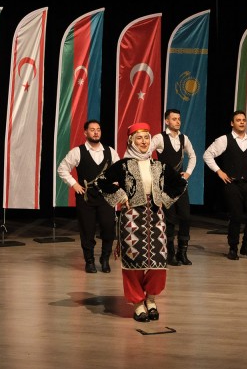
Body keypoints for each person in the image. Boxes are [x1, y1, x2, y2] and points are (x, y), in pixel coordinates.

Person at [96, 122, 187, 322]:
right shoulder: (123, 165)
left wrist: (164, 198)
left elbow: (181, 183)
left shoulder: (159, 166)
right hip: (131, 219)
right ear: (131, 141)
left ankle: (151, 299)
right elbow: (101, 181)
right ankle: (138, 303)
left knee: (158, 263)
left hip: (156, 218)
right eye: (139, 138)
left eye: (147, 138)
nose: (144, 142)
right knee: (133, 263)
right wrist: (121, 195)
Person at [57, 119, 120, 274]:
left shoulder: (110, 151)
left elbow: (119, 169)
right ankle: (89, 261)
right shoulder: (78, 152)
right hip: (86, 197)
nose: (96, 132)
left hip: (106, 196)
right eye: (92, 130)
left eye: (98, 129)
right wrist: (74, 184)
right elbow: (62, 169)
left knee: (108, 228)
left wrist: (116, 181)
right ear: (85, 133)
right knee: (87, 230)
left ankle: (105, 259)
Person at [203, 110, 247, 261]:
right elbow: (207, 155)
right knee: (236, 216)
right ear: (232, 123)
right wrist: (219, 171)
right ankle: (233, 248)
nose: (242, 122)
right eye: (238, 120)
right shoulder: (224, 140)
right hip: (232, 184)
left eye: (243, 120)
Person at [150, 108, 196, 266]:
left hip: (180, 185)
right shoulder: (160, 138)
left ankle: (182, 252)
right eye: (174, 119)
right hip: (166, 186)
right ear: (167, 121)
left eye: (179, 119)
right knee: (170, 219)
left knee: (186, 217)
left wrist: (188, 173)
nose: (177, 121)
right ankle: (170, 254)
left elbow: (193, 156)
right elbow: (146, 152)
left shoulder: (184, 138)